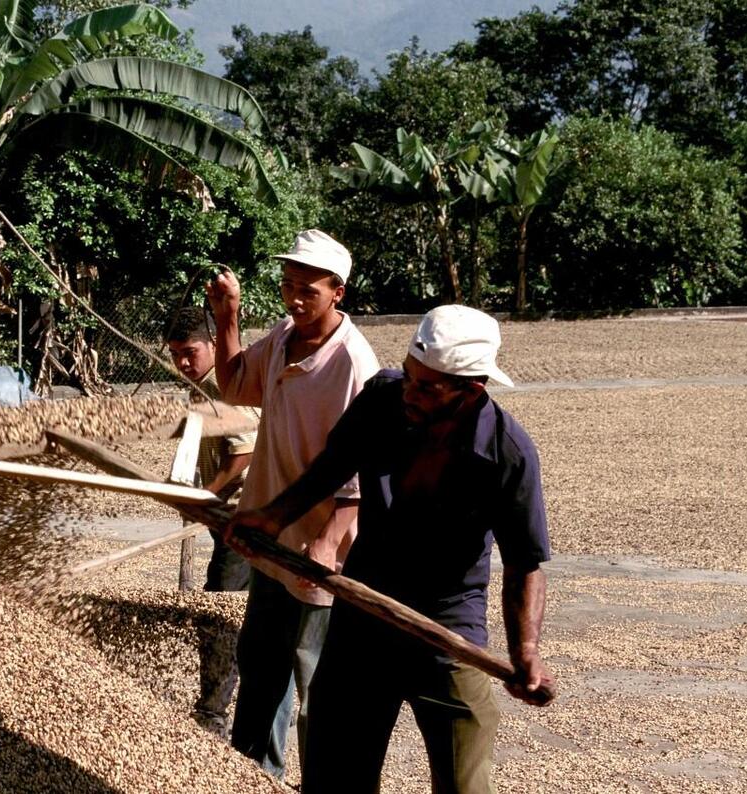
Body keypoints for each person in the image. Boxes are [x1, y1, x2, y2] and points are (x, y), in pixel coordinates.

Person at [232, 305, 556, 793]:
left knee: (464, 782)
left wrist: (525, 648)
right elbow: (333, 465)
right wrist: (272, 516)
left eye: (427, 387)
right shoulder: (384, 397)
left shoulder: (505, 453)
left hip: (446, 626)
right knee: (334, 774)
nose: (410, 390)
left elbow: (524, 562)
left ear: (470, 391)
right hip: (365, 607)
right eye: (409, 375)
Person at [203, 230, 380, 777]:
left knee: (315, 683)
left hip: (317, 549)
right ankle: (256, 778)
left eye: (309, 290)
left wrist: (327, 544)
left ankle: (326, 784)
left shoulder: (353, 363)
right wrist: (227, 315)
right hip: (270, 537)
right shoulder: (283, 337)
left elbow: (364, 465)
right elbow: (233, 386)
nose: (296, 299)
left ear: (338, 293)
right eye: (288, 287)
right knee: (261, 670)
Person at [165, 305, 259, 738]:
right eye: (175, 354)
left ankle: (212, 714)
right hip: (225, 521)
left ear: (213, 345)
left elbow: (243, 454)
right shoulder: (197, 389)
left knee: (219, 611)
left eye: (190, 352)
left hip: (244, 521)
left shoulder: (221, 386)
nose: (183, 362)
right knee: (240, 612)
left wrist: (206, 495)